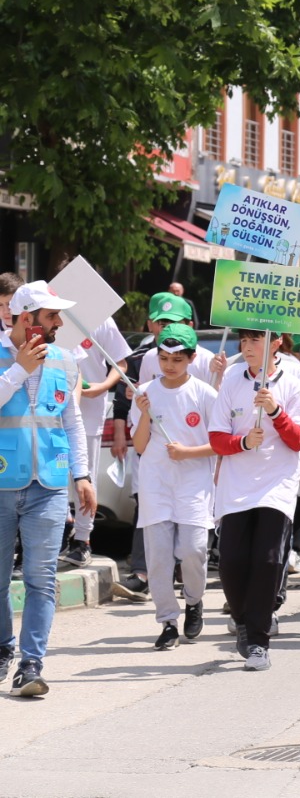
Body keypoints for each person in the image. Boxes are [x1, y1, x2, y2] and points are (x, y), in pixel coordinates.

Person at [0, 281, 97, 696]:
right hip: (2, 483)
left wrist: (83, 475)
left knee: (40, 577)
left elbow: (71, 422)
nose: (60, 323)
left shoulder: (64, 359)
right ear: (27, 319)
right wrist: (19, 367)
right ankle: (3, 648)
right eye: (52, 316)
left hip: (50, 486)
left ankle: (31, 662)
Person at [207, 327, 300, 671]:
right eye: (245, 340)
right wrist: (242, 444)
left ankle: (257, 641)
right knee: (232, 562)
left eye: (256, 340)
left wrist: (276, 411)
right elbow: (216, 437)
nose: (248, 347)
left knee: (267, 560)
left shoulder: (293, 382)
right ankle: (242, 620)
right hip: (237, 484)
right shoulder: (232, 381)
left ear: (276, 343)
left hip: (277, 484)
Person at [128, 324, 216, 651]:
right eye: (164, 358)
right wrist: (145, 414)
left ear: (192, 359)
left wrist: (187, 453)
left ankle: (194, 600)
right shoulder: (146, 392)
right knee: (159, 557)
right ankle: (167, 621)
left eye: (177, 359)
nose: (169, 365)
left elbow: (219, 444)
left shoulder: (206, 394)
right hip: (156, 481)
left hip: (193, 481)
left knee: (193, 550)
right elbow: (139, 445)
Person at [59, 312, 130, 568]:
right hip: (52, 407)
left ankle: (82, 540)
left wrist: (102, 387)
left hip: (89, 411)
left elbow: (120, 363)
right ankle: (62, 532)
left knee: (84, 475)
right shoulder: (49, 316)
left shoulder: (101, 320)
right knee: (54, 474)